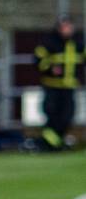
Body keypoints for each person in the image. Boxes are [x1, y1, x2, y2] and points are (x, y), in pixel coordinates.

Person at [33, 16, 82, 150]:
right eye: (64, 27)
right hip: (52, 86)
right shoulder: (49, 42)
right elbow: (38, 59)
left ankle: (54, 143)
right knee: (52, 115)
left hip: (69, 86)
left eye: (69, 27)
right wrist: (50, 68)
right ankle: (51, 144)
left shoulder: (78, 42)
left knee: (67, 116)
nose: (67, 30)